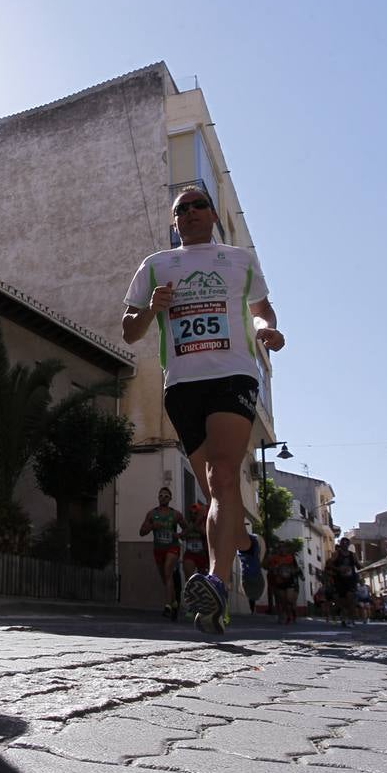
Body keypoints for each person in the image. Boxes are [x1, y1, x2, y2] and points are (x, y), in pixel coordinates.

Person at [121, 187, 285, 634]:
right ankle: (249, 546)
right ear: (174, 222)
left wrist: (268, 331)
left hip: (233, 375)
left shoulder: (238, 259)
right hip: (182, 384)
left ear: (213, 214)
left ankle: (216, 585)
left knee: (222, 476)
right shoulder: (156, 265)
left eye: (197, 206)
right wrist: (151, 309)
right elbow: (130, 331)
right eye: (181, 209)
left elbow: (261, 310)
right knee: (218, 495)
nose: (190, 213)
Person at [139, 487, 184, 617]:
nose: (163, 498)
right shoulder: (152, 514)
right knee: (165, 578)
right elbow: (141, 532)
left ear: (170, 499)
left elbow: (187, 530)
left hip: (172, 548)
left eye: (166, 496)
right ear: (158, 498)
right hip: (158, 549)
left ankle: (168, 606)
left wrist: (179, 535)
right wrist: (152, 526)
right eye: (161, 496)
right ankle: (174, 601)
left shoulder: (176, 514)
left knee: (168, 572)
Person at [265, 540, 301, 624]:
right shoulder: (274, 557)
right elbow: (267, 566)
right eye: (279, 547)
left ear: (286, 548)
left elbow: (295, 568)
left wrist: (291, 571)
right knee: (282, 600)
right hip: (279, 581)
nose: (281, 549)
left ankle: (293, 613)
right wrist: (273, 568)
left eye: (283, 547)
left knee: (289, 600)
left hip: (289, 581)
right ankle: (286, 616)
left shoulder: (290, 557)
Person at [328, 538, 359, 627]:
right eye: (343, 543)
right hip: (340, 580)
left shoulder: (352, 555)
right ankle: (343, 618)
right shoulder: (336, 554)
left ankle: (351, 619)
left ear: (348, 545)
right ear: (340, 544)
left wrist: (359, 566)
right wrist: (339, 569)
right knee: (341, 602)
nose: (345, 545)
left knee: (350, 599)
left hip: (350, 580)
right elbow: (329, 564)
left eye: (346, 544)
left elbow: (358, 565)